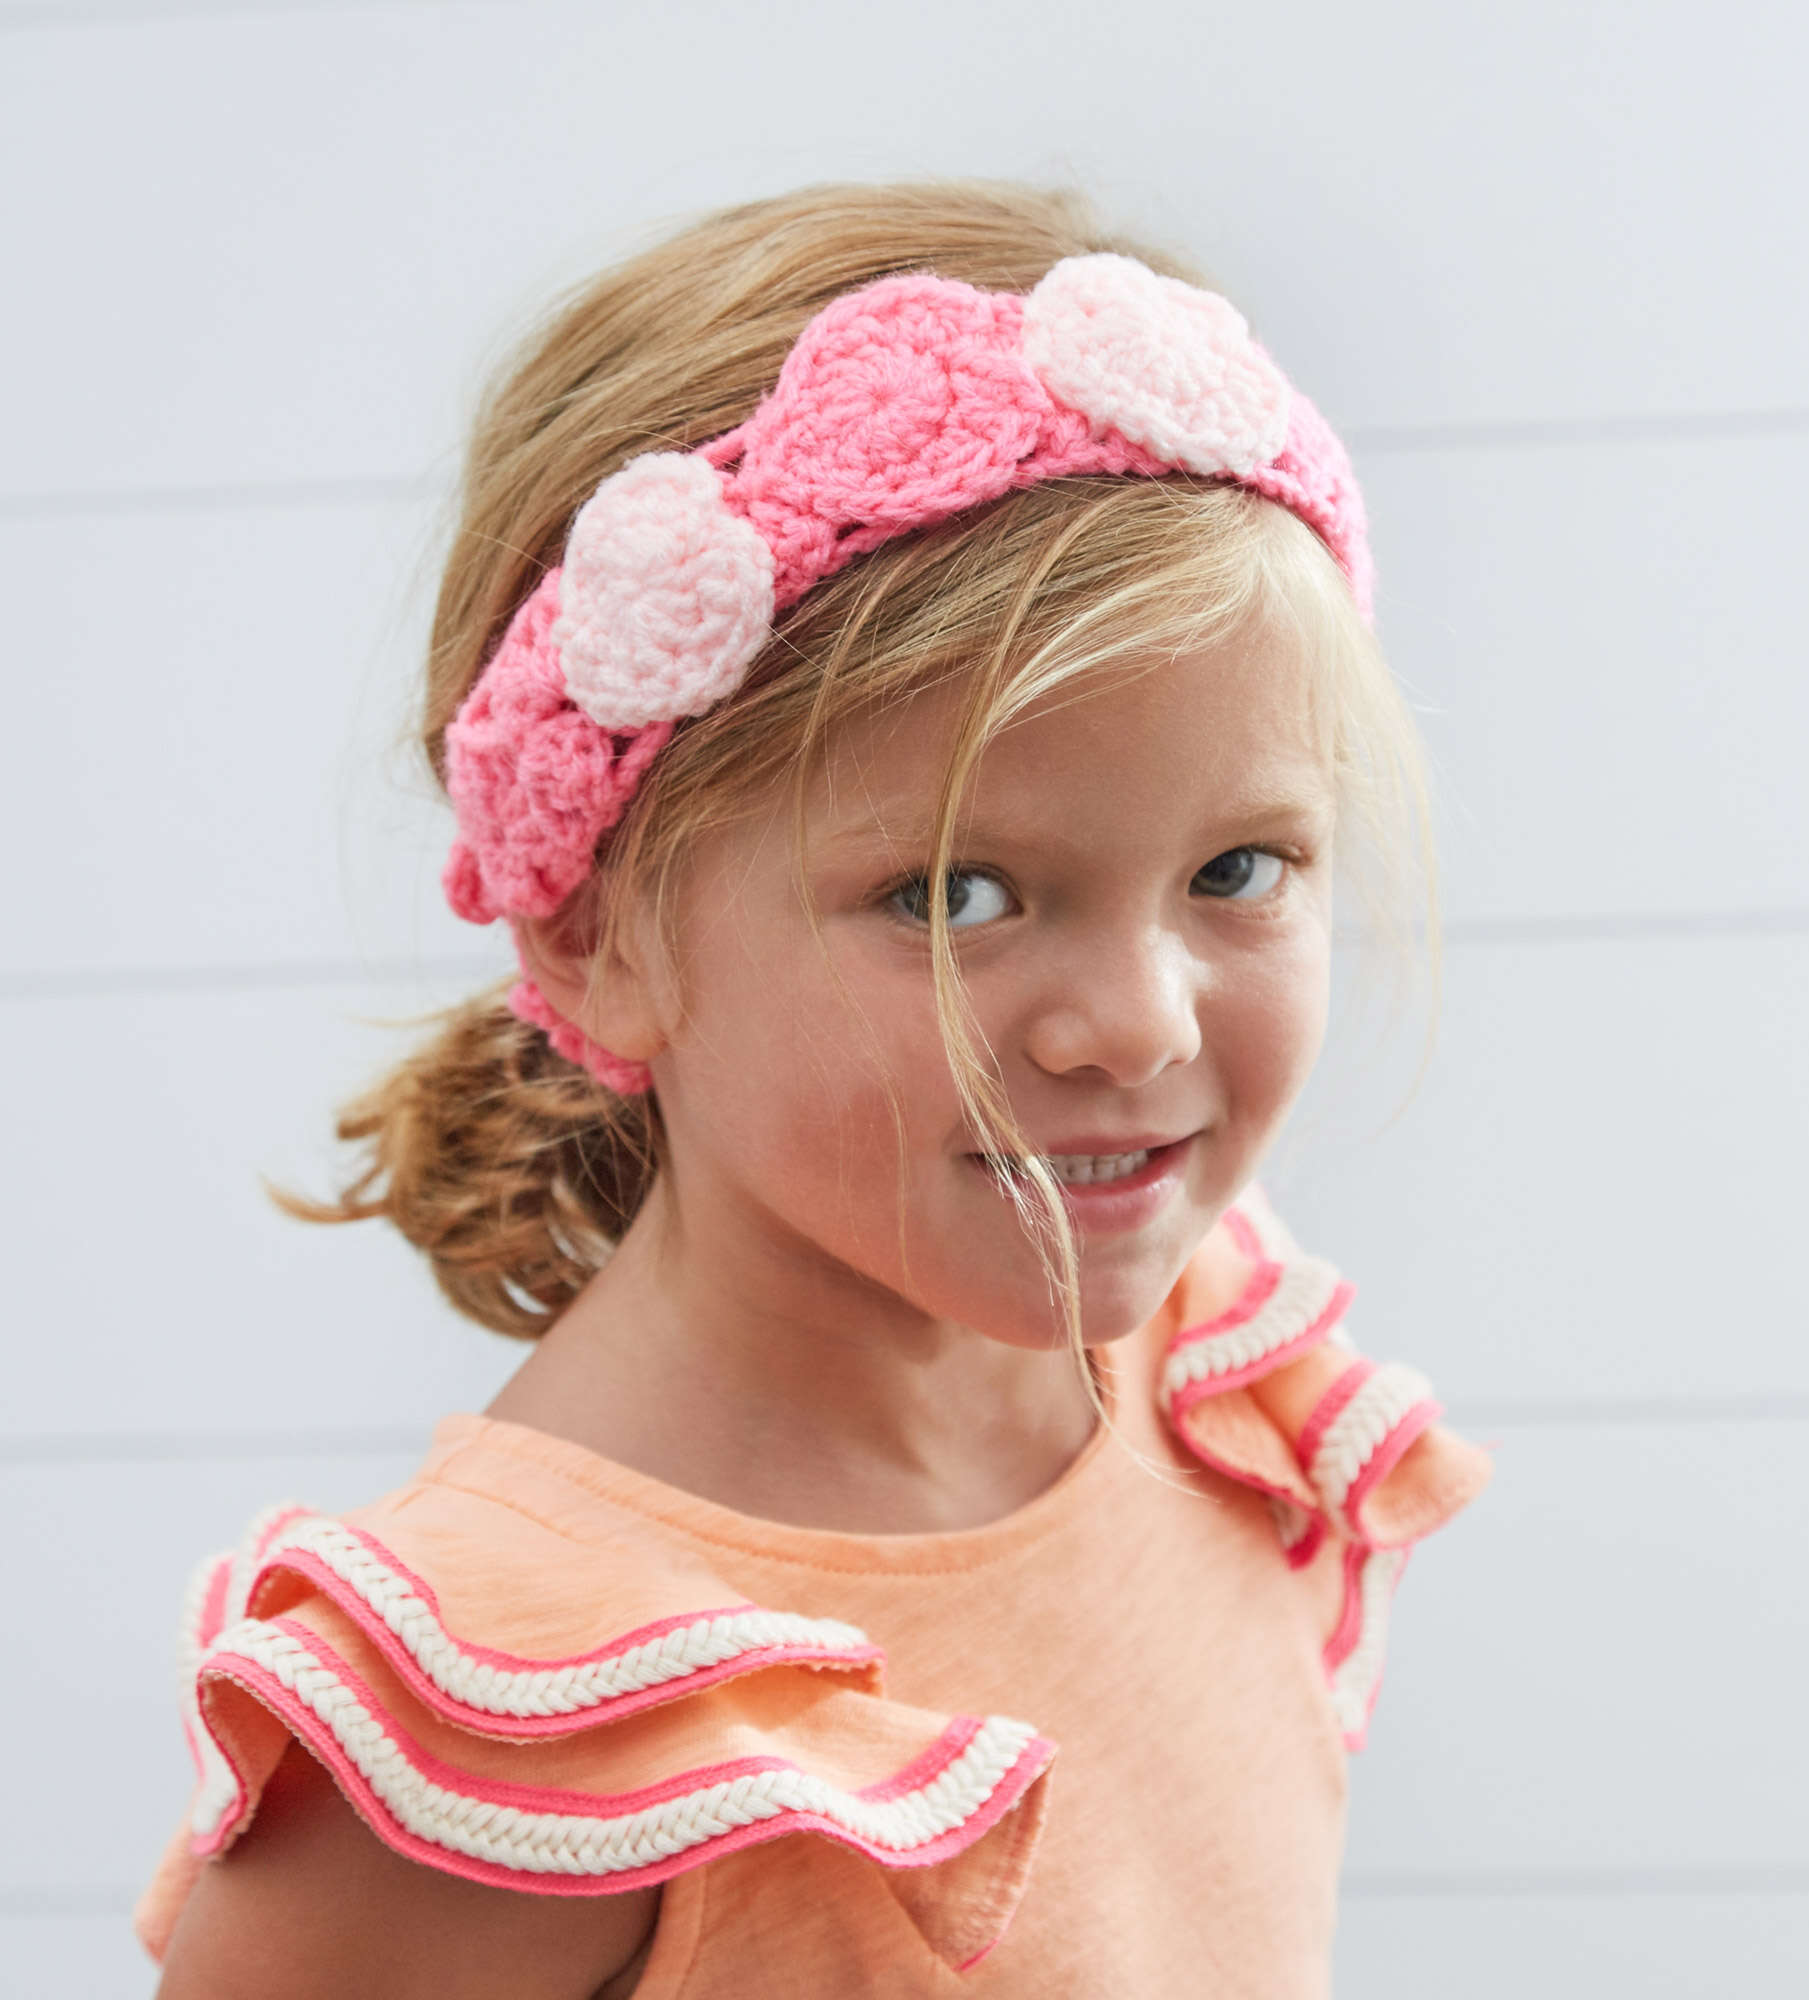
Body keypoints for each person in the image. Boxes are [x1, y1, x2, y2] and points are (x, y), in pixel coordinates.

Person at [137, 180, 1490, 1998]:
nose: (1140, 1027)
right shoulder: (500, 1735)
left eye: (1238, 869)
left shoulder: (1214, 1369)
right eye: (955, 897)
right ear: (601, 934)